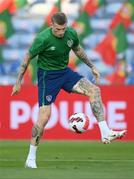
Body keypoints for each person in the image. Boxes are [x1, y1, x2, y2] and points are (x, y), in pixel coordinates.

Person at [11, 12, 126, 168]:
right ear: (51, 25)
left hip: (64, 72)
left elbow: (78, 50)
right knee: (44, 117)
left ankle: (105, 131)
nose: (61, 32)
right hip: (47, 76)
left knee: (94, 90)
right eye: (58, 29)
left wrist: (92, 67)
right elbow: (27, 58)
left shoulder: (70, 33)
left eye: (64, 29)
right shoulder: (42, 39)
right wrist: (18, 81)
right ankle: (30, 158)